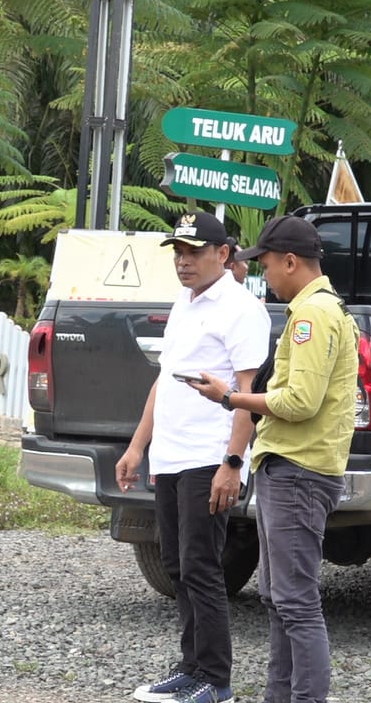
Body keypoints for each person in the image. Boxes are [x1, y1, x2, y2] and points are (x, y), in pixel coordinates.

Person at [189, 214, 358, 703]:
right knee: (278, 598)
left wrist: (230, 398)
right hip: (295, 469)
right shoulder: (324, 309)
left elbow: (299, 402)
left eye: (264, 264)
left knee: (297, 603)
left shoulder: (311, 316)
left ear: (290, 261)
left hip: (299, 471)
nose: (263, 274)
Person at [117, 211, 270, 703]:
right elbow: (165, 380)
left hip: (209, 455)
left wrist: (232, 462)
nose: (183, 262)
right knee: (176, 565)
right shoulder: (184, 302)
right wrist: (138, 445)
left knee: (202, 566)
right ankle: (190, 667)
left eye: (194, 251)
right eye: (178, 252)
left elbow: (248, 393)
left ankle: (216, 681)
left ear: (222, 254)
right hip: (170, 453)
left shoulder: (242, 310)